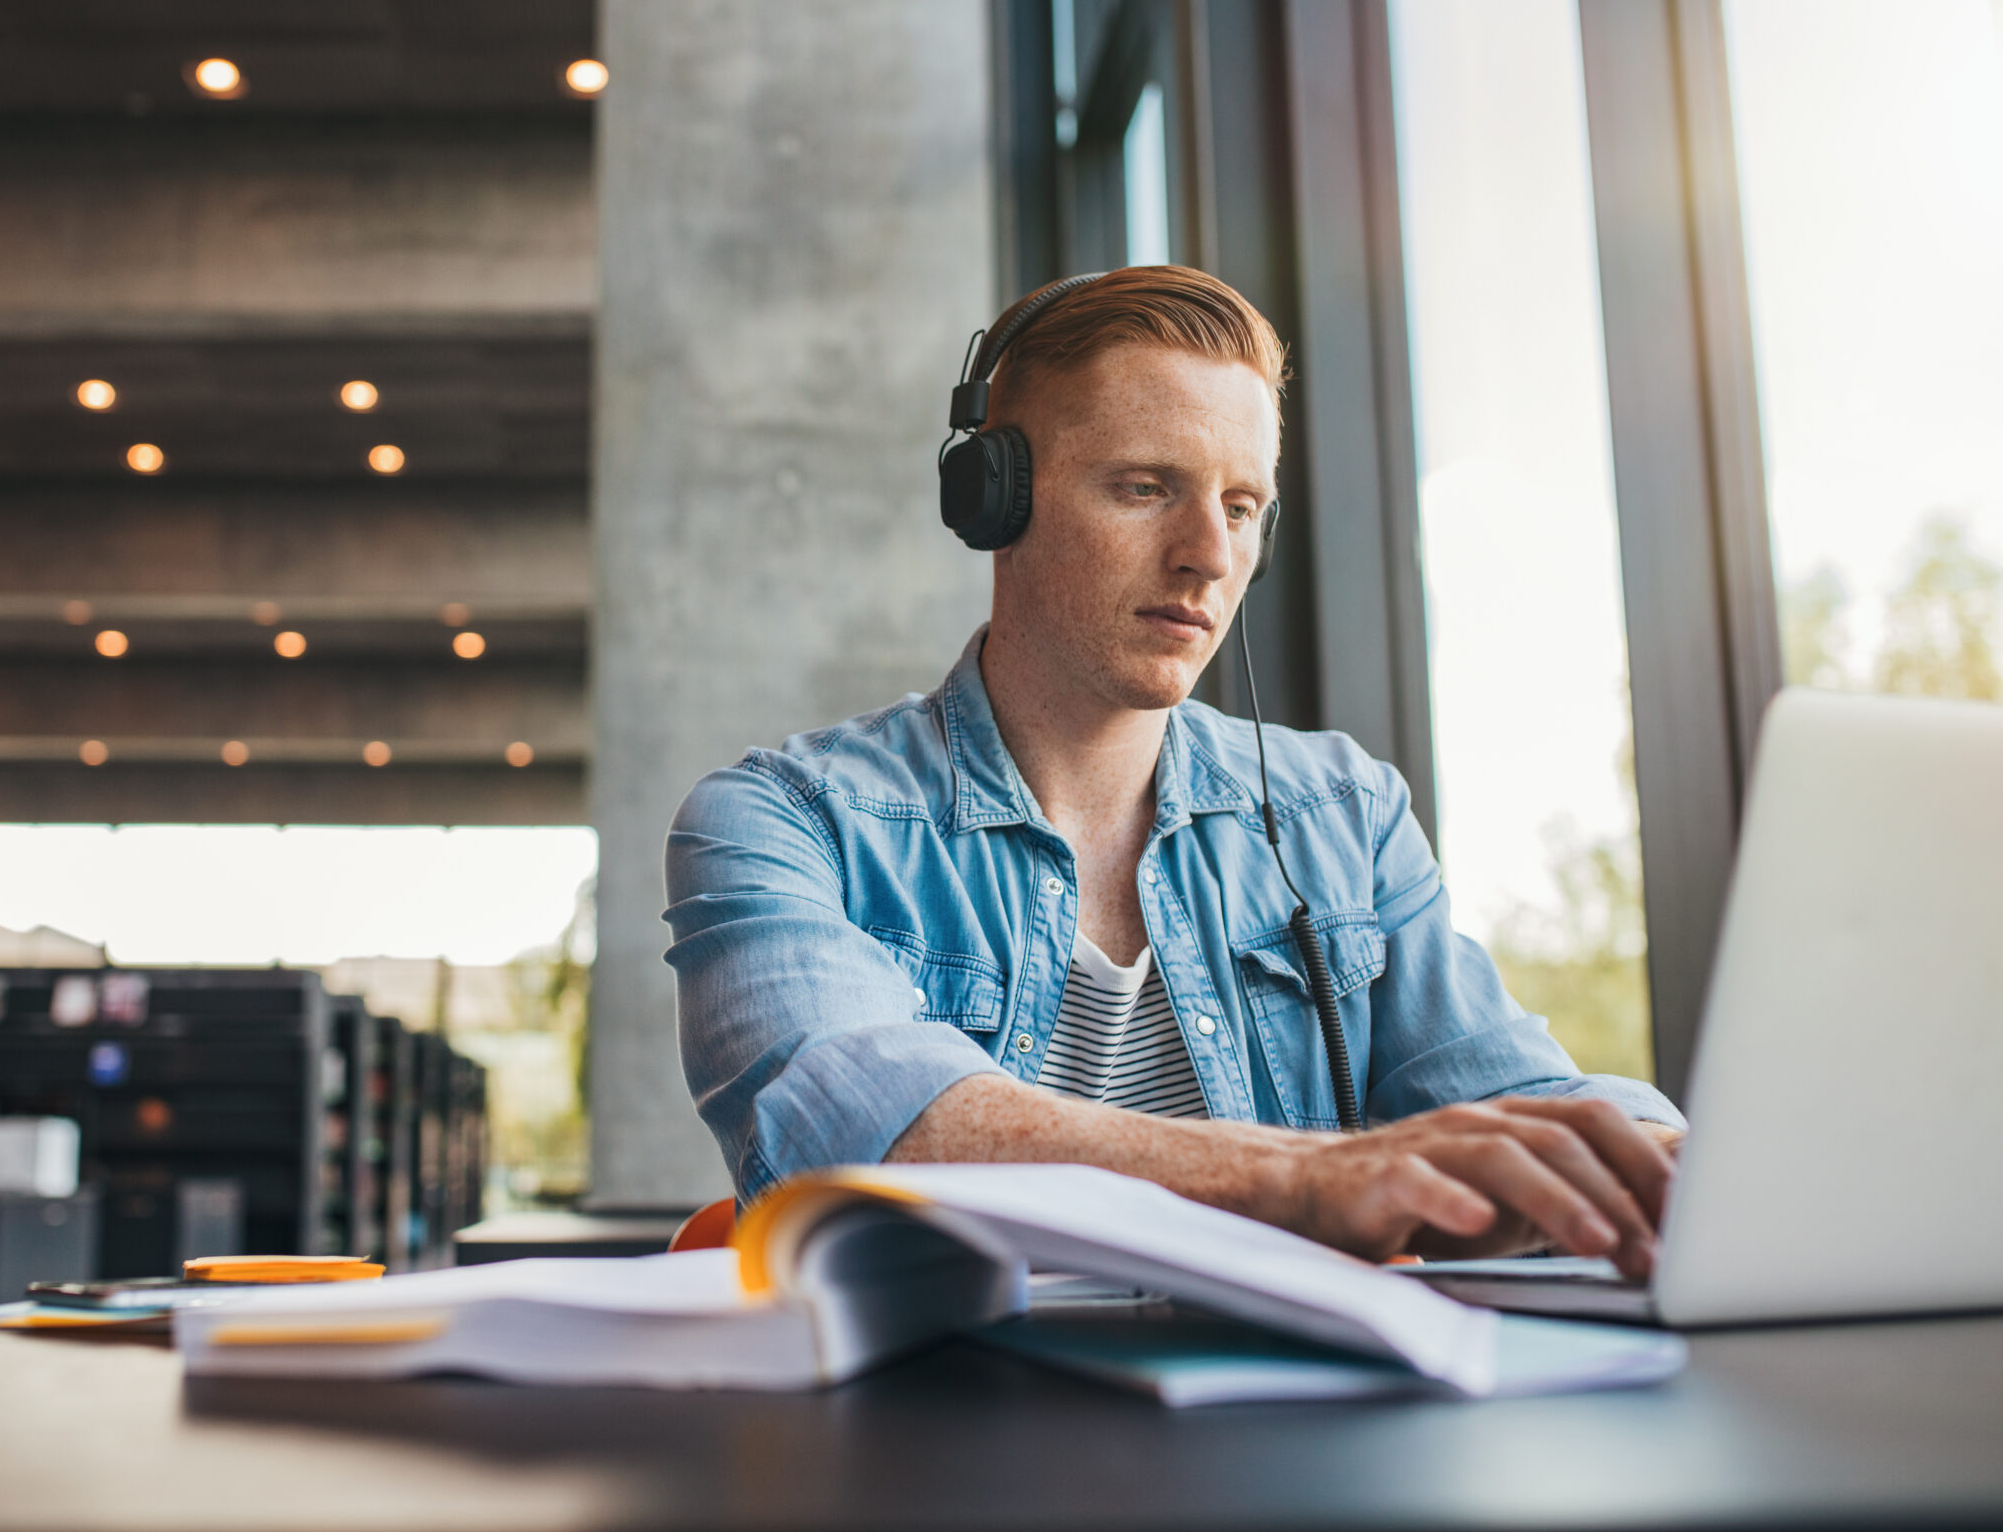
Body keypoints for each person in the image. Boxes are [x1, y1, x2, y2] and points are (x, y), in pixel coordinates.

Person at [664, 265, 1684, 1280]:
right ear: (995, 504)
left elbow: (1512, 1100)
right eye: (1145, 488)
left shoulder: (1344, 814)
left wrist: (1671, 1166)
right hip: (949, 1425)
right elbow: (863, 1132)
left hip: (1293, 1425)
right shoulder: (781, 821)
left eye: (1241, 507)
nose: (1207, 555)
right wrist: (1314, 1180)